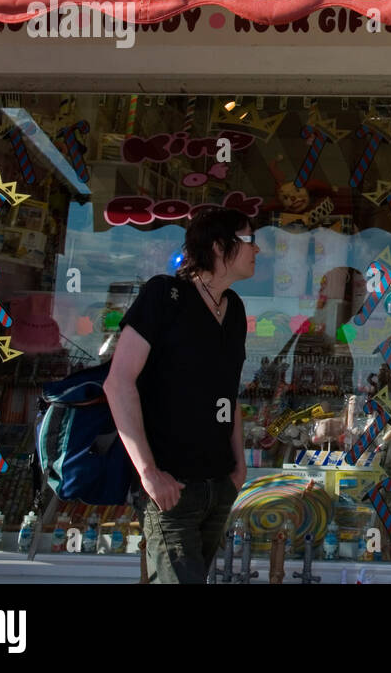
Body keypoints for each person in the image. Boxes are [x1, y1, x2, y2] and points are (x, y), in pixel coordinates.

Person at [105, 208, 259, 584]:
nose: (259, 251)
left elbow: (229, 393)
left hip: (218, 485)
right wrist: (149, 474)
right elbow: (118, 382)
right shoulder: (164, 295)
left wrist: (238, 468)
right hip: (171, 486)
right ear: (221, 247)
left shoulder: (234, 308)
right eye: (251, 242)